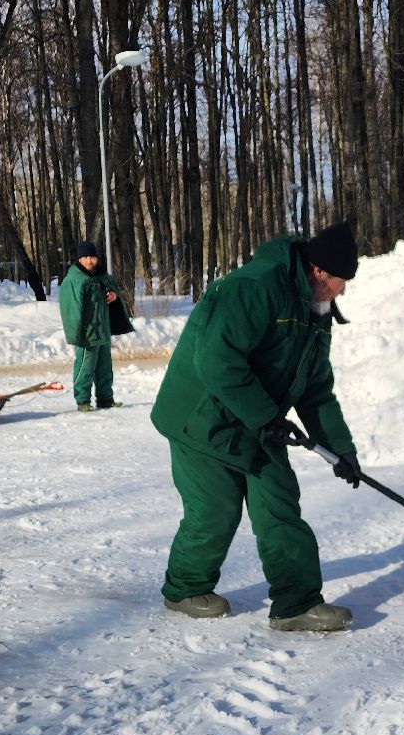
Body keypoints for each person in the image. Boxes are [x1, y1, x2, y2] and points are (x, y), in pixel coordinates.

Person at [151, 220, 365, 633]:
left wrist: (340, 449)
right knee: (215, 509)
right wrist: (266, 417)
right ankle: (184, 588)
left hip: (257, 418)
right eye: (341, 281)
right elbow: (216, 360)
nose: (342, 292)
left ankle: (296, 604)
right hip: (203, 416)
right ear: (319, 271)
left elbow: (315, 389)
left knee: (278, 504)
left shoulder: (315, 310)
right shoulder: (255, 287)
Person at [58, 240, 124, 411]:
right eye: (86, 257)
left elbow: (114, 291)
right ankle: (83, 401)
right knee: (85, 369)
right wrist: (75, 334)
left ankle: (105, 399)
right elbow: (70, 309)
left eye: (92, 257)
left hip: (102, 332)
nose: (90, 261)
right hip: (87, 334)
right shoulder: (75, 279)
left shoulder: (100, 276)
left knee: (104, 369)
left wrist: (114, 295)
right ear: (80, 259)